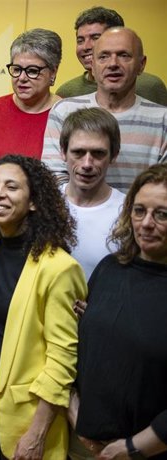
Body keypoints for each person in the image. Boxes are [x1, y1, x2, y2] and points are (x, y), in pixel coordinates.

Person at [0, 155, 87, 459]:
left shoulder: (59, 269)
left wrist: (37, 432)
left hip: (26, 412)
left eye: (11, 187)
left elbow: (62, 359)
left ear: (34, 202)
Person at [71, 163, 167, 459]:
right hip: (84, 445)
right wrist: (77, 417)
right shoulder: (110, 269)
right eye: (139, 211)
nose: (146, 223)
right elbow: (82, 352)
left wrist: (129, 449)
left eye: (161, 214)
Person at [42, 27, 167, 193]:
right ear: (92, 65)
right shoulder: (64, 112)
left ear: (141, 65)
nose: (113, 64)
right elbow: (53, 179)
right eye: (103, 57)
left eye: (124, 55)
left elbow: (163, 188)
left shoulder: (163, 119)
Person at [0, 29, 62, 164]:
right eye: (16, 69)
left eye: (32, 71)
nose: (22, 78)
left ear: (53, 71)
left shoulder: (67, 114)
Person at [59, 107, 125, 279]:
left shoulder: (128, 213)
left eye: (98, 153)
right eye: (78, 152)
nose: (87, 164)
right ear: (63, 152)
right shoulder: (43, 204)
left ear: (114, 155)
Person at [56, 6, 167, 106]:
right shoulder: (67, 92)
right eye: (80, 40)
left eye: (95, 38)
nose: (86, 47)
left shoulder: (151, 86)